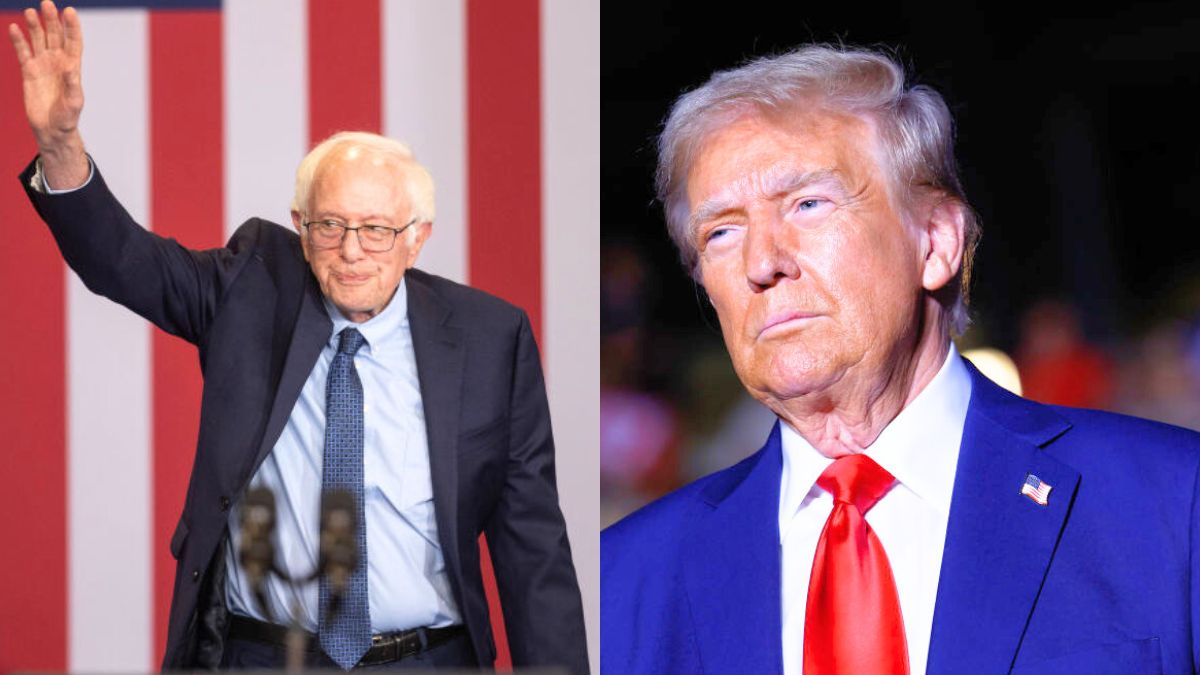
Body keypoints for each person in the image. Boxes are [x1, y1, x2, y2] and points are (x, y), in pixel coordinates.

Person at [9, 2, 588, 672]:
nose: (351, 251)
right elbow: (124, 262)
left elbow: (532, 548)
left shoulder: (491, 338)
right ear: (300, 225)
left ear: (417, 238)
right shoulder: (253, 287)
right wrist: (60, 145)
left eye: (376, 229)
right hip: (265, 655)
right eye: (329, 226)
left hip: (428, 657)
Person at [601, 43, 1200, 674]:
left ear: (936, 242)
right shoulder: (624, 586)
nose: (760, 263)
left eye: (808, 204)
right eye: (721, 232)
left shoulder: (1168, 504)